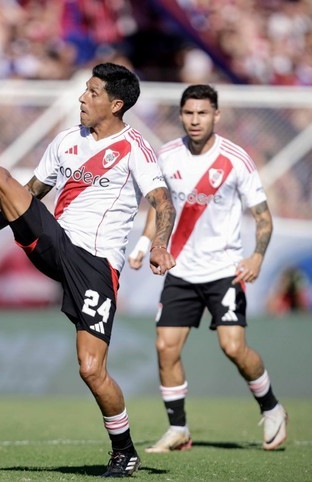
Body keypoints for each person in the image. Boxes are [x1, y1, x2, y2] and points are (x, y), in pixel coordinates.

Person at [0, 62, 177, 477]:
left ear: (116, 104)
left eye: (92, 92)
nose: (82, 98)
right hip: (55, 244)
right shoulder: (68, 140)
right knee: (0, 179)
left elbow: (163, 202)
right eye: (84, 90)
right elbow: (30, 192)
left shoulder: (136, 149)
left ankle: (124, 450)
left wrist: (159, 244)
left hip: (95, 265)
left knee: (91, 369)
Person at [127, 84, 287, 453]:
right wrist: (143, 245)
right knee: (165, 347)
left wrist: (257, 256)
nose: (195, 120)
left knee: (233, 347)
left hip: (225, 270)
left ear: (217, 115)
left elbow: (262, 217)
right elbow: (159, 208)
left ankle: (272, 407)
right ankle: (178, 429)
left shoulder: (236, 160)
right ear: (180, 115)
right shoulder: (166, 156)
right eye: (188, 113)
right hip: (181, 270)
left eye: (202, 113)